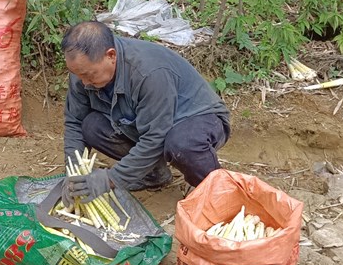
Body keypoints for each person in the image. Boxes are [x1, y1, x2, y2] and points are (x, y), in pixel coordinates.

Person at [61, 21, 230, 203]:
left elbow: (155, 137)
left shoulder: (148, 72)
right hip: (144, 121)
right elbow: (75, 122)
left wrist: (111, 178)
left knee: (182, 143)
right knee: (91, 126)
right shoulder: (83, 71)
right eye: (78, 75)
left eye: (89, 75)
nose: (84, 83)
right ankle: (154, 174)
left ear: (111, 55)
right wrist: (73, 172)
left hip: (197, 118)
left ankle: (211, 188)